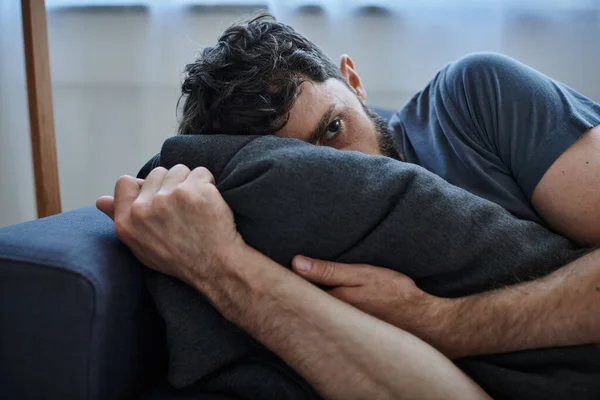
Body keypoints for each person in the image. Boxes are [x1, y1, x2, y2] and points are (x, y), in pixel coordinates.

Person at [96, 13, 600, 398]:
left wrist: (439, 322)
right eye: (305, 166)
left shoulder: (473, 101)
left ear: (353, 81)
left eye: (334, 129)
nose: (342, 168)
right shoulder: (277, 225)